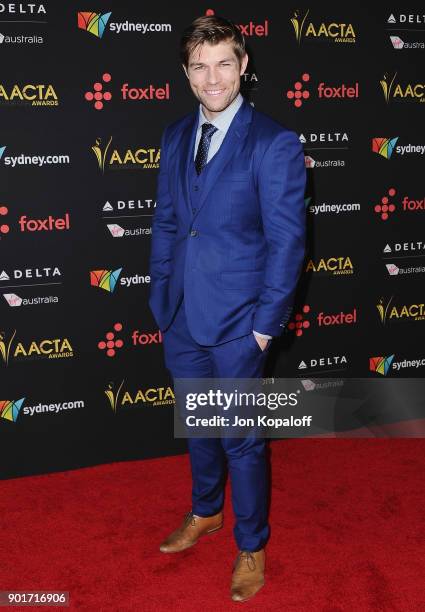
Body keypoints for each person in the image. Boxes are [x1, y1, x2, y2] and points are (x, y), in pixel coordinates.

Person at [148, 15, 306, 603]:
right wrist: (161, 290)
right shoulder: (173, 135)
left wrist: (265, 328)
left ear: (243, 67)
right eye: (199, 66)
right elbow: (168, 222)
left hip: (241, 322)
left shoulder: (273, 142)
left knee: (241, 439)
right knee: (199, 427)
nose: (212, 77)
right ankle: (205, 511)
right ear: (187, 74)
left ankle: (251, 542)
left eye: (223, 63)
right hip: (182, 314)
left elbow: (288, 243)